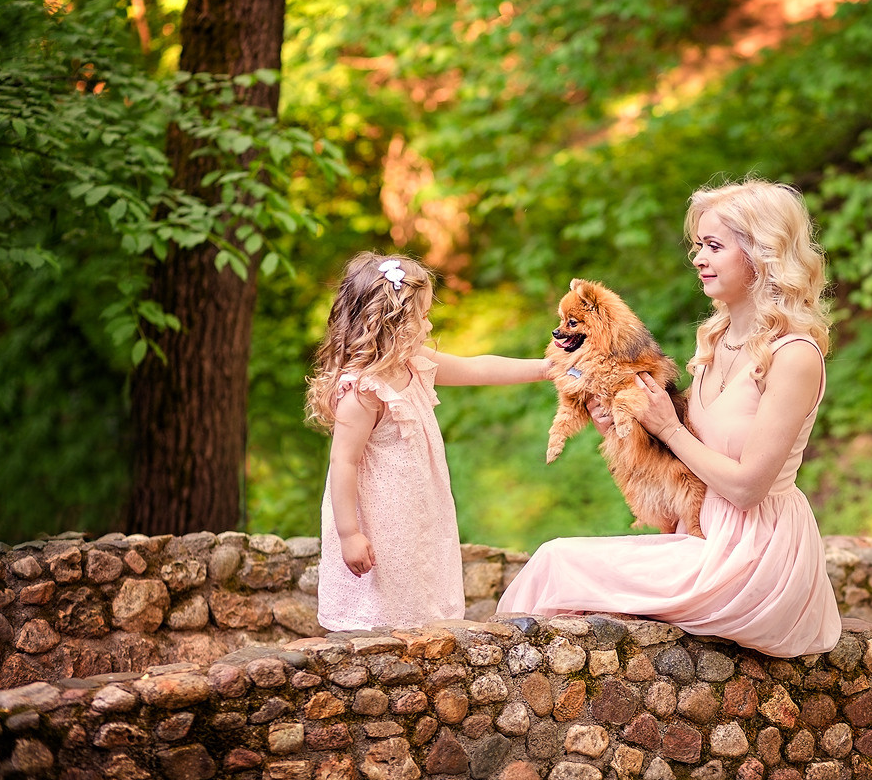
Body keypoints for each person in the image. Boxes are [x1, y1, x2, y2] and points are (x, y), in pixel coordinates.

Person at [497, 178, 842, 656]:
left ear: (763, 253)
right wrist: (622, 432)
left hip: (757, 557)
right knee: (556, 567)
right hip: (698, 534)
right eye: (699, 245)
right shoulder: (714, 343)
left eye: (714, 246)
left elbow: (746, 488)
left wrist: (668, 428)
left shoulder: (794, 356)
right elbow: (672, 493)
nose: (698, 258)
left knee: (558, 564)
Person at [306, 253, 548, 631]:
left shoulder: (413, 365)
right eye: (422, 315)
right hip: (381, 521)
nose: (429, 322)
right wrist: (349, 534)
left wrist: (545, 368)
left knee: (422, 596)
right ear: (393, 323)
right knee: (385, 609)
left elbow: (475, 368)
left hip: (419, 514)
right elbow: (343, 463)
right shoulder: (363, 394)